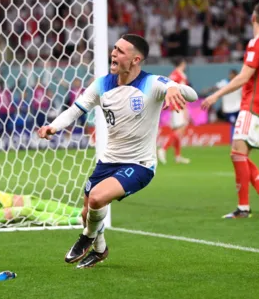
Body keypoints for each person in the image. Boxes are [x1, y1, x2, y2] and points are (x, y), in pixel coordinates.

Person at [38, 34, 197, 268]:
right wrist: (53, 126)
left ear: (136, 59)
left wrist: (175, 87)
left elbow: (191, 95)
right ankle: (100, 250)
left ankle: (87, 238)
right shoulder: (102, 84)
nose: (114, 53)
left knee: (97, 198)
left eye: (121, 51)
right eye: (114, 48)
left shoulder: (152, 83)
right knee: (86, 213)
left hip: (139, 164)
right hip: (109, 160)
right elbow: (75, 111)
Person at [201, 1, 259, 219]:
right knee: (241, 155)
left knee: (237, 154)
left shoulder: (257, 42)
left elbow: (244, 77)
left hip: (251, 105)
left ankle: (243, 208)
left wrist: (216, 95)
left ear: (253, 18)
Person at [158, 59, 191, 165]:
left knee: (177, 131)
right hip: (179, 105)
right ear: (183, 63)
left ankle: (177, 156)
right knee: (179, 131)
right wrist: (185, 109)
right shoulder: (181, 76)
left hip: (172, 105)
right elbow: (182, 92)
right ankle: (163, 149)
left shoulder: (172, 75)